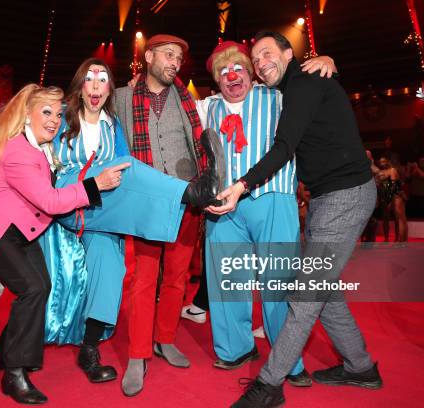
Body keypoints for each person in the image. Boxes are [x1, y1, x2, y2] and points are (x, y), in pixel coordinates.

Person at [209, 31, 382, 408]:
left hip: (345, 196)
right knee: (324, 289)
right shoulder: (296, 86)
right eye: (255, 59)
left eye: (267, 53)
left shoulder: (304, 83)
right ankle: (360, 367)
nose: (260, 63)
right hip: (327, 199)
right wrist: (330, 61)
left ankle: (269, 384)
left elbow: (285, 146)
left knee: (304, 293)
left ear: (290, 53)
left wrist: (241, 185)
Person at [37, 57, 221, 386]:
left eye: (102, 80)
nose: (95, 85)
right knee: (127, 165)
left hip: (98, 211)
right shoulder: (60, 118)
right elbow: (34, 148)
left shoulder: (111, 123)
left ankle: (89, 349)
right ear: (80, 86)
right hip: (68, 197)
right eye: (90, 79)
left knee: (111, 266)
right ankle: (191, 193)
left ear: (110, 89)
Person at [0, 84, 126, 404]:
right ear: (26, 115)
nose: (55, 119)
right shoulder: (18, 151)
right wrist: (95, 185)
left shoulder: (40, 147)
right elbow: (48, 200)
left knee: (40, 287)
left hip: (22, 229)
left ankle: (7, 352)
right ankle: (14, 374)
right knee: (33, 288)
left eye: (58, 113)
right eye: (46, 112)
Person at [196, 40, 318, 385]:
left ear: (250, 74)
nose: (231, 76)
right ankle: (235, 348)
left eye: (238, 69)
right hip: (223, 205)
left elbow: (307, 86)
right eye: (223, 72)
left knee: (278, 282)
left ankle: (287, 360)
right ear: (217, 80)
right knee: (227, 281)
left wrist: (324, 60)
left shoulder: (277, 98)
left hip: (272, 197)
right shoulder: (208, 107)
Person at [113, 34, 212, 396]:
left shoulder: (190, 101)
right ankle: (138, 354)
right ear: (149, 55)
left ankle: (165, 338)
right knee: (143, 278)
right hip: (145, 202)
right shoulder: (121, 98)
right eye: (168, 55)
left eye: (179, 58)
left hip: (186, 199)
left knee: (177, 278)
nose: (175, 62)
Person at [375, 156, 407, 244]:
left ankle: (399, 239)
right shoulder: (380, 172)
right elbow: (378, 186)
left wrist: (391, 198)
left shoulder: (392, 170)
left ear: (388, 161)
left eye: (384, 161)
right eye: (381, 162)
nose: (382, 164)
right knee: (386, 219)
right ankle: (386, 239)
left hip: (394, 196)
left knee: (398, 219)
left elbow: (394, 186)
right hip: (385, 197)